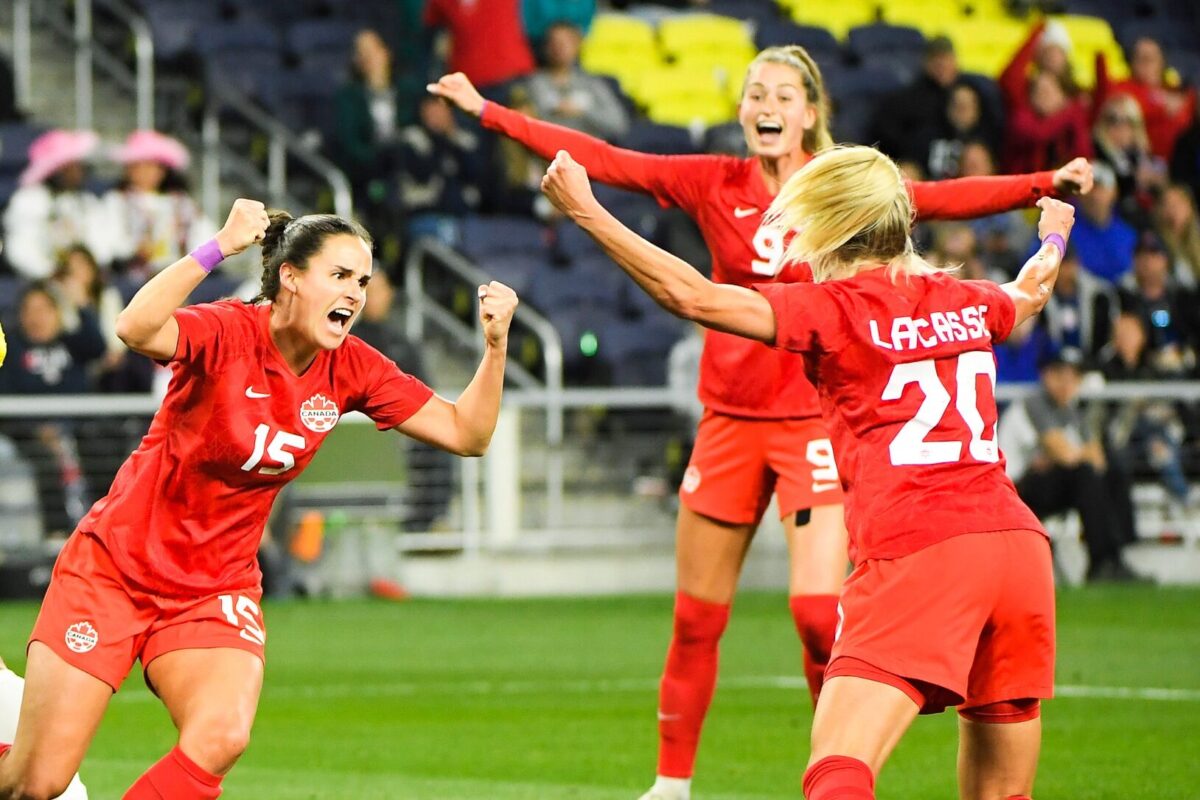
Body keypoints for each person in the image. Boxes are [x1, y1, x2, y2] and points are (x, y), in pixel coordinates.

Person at [430, 49, 1092, 800]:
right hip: (1016, 547)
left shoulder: (832, 308)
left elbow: (692, 297)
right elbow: (1031, 289)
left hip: (920, 547)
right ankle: (671, 781)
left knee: (837, 773)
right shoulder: (971, 298)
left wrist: (584, 211)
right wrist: (1055, 230)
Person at [0, 199, 516, 799]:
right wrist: (218, 247)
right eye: (341, 275)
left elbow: (467, 433)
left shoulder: (352, 367)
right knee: (33, 784)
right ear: (291, 278)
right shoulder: (227, 330)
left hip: (214, 589)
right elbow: (136, 328)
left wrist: (496, 347)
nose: (355, 293)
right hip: (115, 569)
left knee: (221, 735)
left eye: (364, 281)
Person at [1004, 347, 1140, 582]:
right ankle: (1100, 563)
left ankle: (1114, 557)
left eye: (1074, 377)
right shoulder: (1034, 403)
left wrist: (1071, 455)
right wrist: (1072, 454)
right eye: (1061, 375)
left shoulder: (1070, 409)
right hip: (1015, 490)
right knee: (1084, 476)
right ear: (1047, 375)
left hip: (1049, 482)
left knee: (1113, 472)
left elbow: (1097, 458)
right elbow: (1064, 454)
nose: (1069, 383)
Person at [3, 129, 115, 280]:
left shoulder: (87, 201)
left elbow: (102, 244)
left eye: (79, 166)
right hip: (42, 282)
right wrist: (49, 272)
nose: (77, 172)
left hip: (85, 279)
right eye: (69, 167)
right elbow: (21, 249)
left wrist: (87, 270)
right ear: (53, 170)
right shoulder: (28, 200)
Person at [105, 130, 215, 279]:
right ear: (129, 170)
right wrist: (133, 250)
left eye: (152, 166)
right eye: (139, 166)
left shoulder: (181, 202)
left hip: (179, 276)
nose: (146, 172)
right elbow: (107, 245)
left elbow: (209, 237)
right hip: (132, 278)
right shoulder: (116, 201)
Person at [525, 21, 628, 141]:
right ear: (546, 47)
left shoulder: (592, 83)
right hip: (547, 153)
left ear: (578, 45)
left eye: (566, 42)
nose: (559, 48)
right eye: (554, 42)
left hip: (587, 152)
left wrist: (583, 110)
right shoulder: (533, 84)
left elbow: (619, 125)